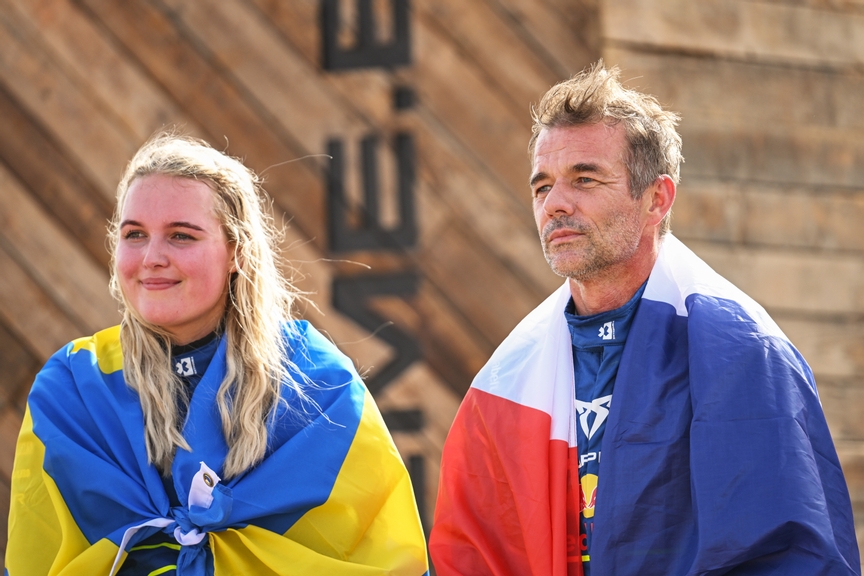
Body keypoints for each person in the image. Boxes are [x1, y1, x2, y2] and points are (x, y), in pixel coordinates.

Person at [430, 61, 860, 575]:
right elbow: (468, 558)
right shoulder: (503, 382)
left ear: (657, 199)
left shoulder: (743, 354)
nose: (555, 205)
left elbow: (788, 558)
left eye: (585, 179)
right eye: (542, 187)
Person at [6, 133, 429, 575]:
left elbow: (384, 559)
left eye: (181, 236)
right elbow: (37, 555)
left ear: (237, 252)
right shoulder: (72, 388)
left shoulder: (320, 385)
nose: (151, 257)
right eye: (135, 234)